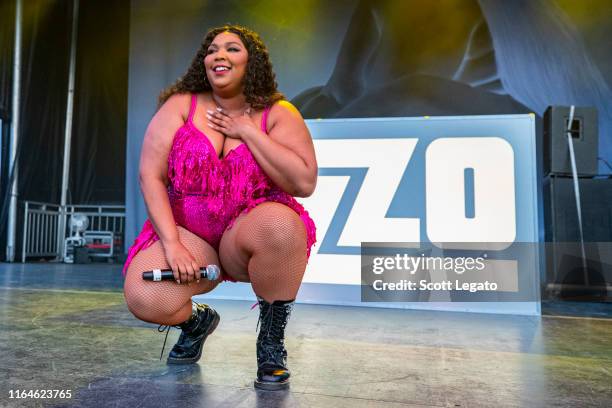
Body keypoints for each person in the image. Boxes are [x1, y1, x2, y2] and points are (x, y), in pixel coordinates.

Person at [122, 24, 317, 391]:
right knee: (145, 297)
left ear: (251, 62)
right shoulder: (182, 106)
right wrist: (173, 245)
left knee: (282, 223)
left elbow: (303, 183)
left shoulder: (278, 112)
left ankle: (271, 345)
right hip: (190, 235)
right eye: (212, 49)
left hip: (244, 233)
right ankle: (195, 323)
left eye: (232, 48)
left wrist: (248, 131)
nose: (219, 55)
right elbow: (150, 176)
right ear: (204, 62)